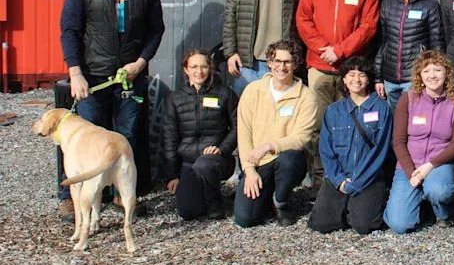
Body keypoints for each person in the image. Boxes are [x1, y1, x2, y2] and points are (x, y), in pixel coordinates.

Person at [58, 0, 164, 220]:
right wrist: (75, 72)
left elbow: (156, 30)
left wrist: (141, 62)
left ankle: (121, 193)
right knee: (85, 138)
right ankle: (71, 196)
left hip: (131, 77)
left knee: (127, 136)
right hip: (92, 77)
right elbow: (69, 30)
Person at [296, 0, 380, 195]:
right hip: (319, 70)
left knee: (353, 126)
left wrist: (340, 51)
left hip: (351, 72)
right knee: (319, 127)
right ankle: (321, 179)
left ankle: (354, 176)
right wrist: (325, 50)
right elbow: (302, 20)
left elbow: (368, 26)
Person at [234, 40, 318, 228]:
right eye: (277, 61)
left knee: (290, 159)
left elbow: (301, 137)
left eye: (288, 62)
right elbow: (244, 134)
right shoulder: (253, 90)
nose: (282, 67)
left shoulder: (306, 96)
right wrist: (249, 170)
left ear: (295, 65)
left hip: (285, 160)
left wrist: (268, 146)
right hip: (257, 163)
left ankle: (280, 200)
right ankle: (266, 195)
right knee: (245, 219)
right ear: (269, 63)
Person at [384, 50, 454, 233]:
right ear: (420, 76)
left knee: (439, 190)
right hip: (410, 164)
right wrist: (410, 172)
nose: (432, 75)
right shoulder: (407, 99)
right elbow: (398, 141)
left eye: (437, 70)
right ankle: (421, 205)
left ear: (446, 74)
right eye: (426, 71)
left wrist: (430, 166)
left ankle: (445, 211)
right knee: (400, 225)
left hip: (439, 163)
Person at [308, 57, 393, 235]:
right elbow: (326, 149)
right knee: (321, 224)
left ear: (368, 79)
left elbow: (380, 150)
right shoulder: (333, 110)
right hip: (339, 176)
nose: (356, 79)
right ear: (344, 80)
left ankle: (364, 205)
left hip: (368, 177)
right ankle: (347, 206)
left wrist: (359, 181)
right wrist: (338, 180)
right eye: (351, 74)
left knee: (364, 225)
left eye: (362, 74)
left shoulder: (381, 108)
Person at [162, 49, 238, 220]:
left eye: (204, 66)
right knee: (188, 211)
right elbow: (169, 137)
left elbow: (238, 127)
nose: (199, 71)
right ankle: (200, 193)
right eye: (194, 66)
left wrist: (221, 149)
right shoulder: (174, 99)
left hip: (216, 160)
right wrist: (172, 175)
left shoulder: (225, 94)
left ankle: (214, 201)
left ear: (210, 68)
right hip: (188, 163)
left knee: (204, 164)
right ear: (186, 69)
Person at [374, 0, 444, 108]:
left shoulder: (430, 5)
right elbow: (382, 42)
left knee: (414, 123)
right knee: (394, 124)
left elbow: (436, 44)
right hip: (390, 79)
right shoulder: (388, 4)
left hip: (415, 79)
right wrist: (378, 78)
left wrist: (432, 75)